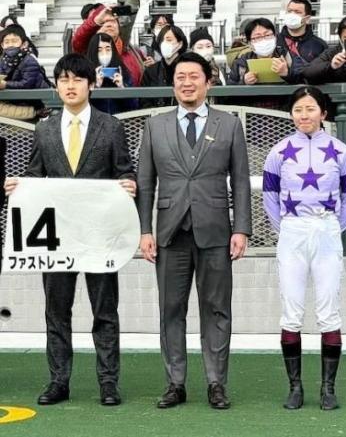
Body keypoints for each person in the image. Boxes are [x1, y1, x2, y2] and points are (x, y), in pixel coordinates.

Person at [4, 54, 136, 407]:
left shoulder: (112, 127)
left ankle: (108, 382)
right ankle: (58, 381)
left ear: (90, 83)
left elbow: (126, 172)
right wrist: (21, 187)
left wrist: (129, 186)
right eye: (63, 79)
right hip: (56, 236)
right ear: (57, 85)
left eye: (77, 79)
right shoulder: (45, 128)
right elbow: (35, 175)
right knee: (56, 310)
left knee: (104, 311)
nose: (70, 85)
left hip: (100, 235)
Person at [137, 52, 252, 411]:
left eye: (193, 76)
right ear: (173, 84)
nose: (187, 83)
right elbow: (145, 182)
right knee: (171, 309)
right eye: (180, 77)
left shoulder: (229, 124)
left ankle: (217, 383)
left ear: (208, 81)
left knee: (217, 308)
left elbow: (242, 181)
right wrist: (144, 230)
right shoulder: (154, 125)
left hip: (217, 229)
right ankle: (175, 383)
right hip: (169, 232)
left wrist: (242, 228)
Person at [262, 86, 346, 410]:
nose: (304, 115)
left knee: (328, 310)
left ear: (323, 113)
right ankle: (295, 387)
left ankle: (328, 388)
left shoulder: (342, 152)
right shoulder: (278, 152)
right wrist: (288, 228)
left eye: (310, 109)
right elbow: (269, 198)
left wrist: (331, 227)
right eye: (298, 110)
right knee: (291, 311)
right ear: (291, 114)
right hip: (292, 229)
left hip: (327, 228)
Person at [71, 0, 148, 87]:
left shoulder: (130, 49)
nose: (109, 24)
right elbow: (78, 40)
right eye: (104, 22)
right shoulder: (88, 49)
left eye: (113, 21)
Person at [0, 25, 48, 120]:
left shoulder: (29, 60)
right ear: (2, 45)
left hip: (36, 101)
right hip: (17, 100)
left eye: (14, 41)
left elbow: (27, 84)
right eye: (7, 42)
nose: (10, 45)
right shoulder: (2, 60)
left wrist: (5, 85)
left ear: (24, 44)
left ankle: (35, 113)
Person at [229, 19, 296, 86]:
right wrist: (243, 82)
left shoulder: (287, 56)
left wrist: (287, 74)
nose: (263, 40)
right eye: (257, 37)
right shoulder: (241, 63)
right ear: (250, 43)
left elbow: (303, 80)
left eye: (267, 35)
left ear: (275, 37)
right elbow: (229, 91)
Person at [278, 0, 329, 83]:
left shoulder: (320, 45)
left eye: (297, 12)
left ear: (307, 19)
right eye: (289, 11)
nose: (292, 15)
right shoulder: (274, 41)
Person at [86, 32, 137, 115]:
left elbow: (133, 106)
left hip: (119, 120)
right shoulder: (85, 73)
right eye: (99, 50)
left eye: (108, 49)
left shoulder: (122, 71)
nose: (104, 53)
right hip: (95, 122)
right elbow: (81, 104)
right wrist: (96, 86)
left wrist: (122, 87)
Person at [142, 25, 188, 91]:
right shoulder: (151, 71)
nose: (164, 44)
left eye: (169, 40)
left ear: (180, 44)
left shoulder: (189, 69)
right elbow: (144, 98)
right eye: (161, 41)